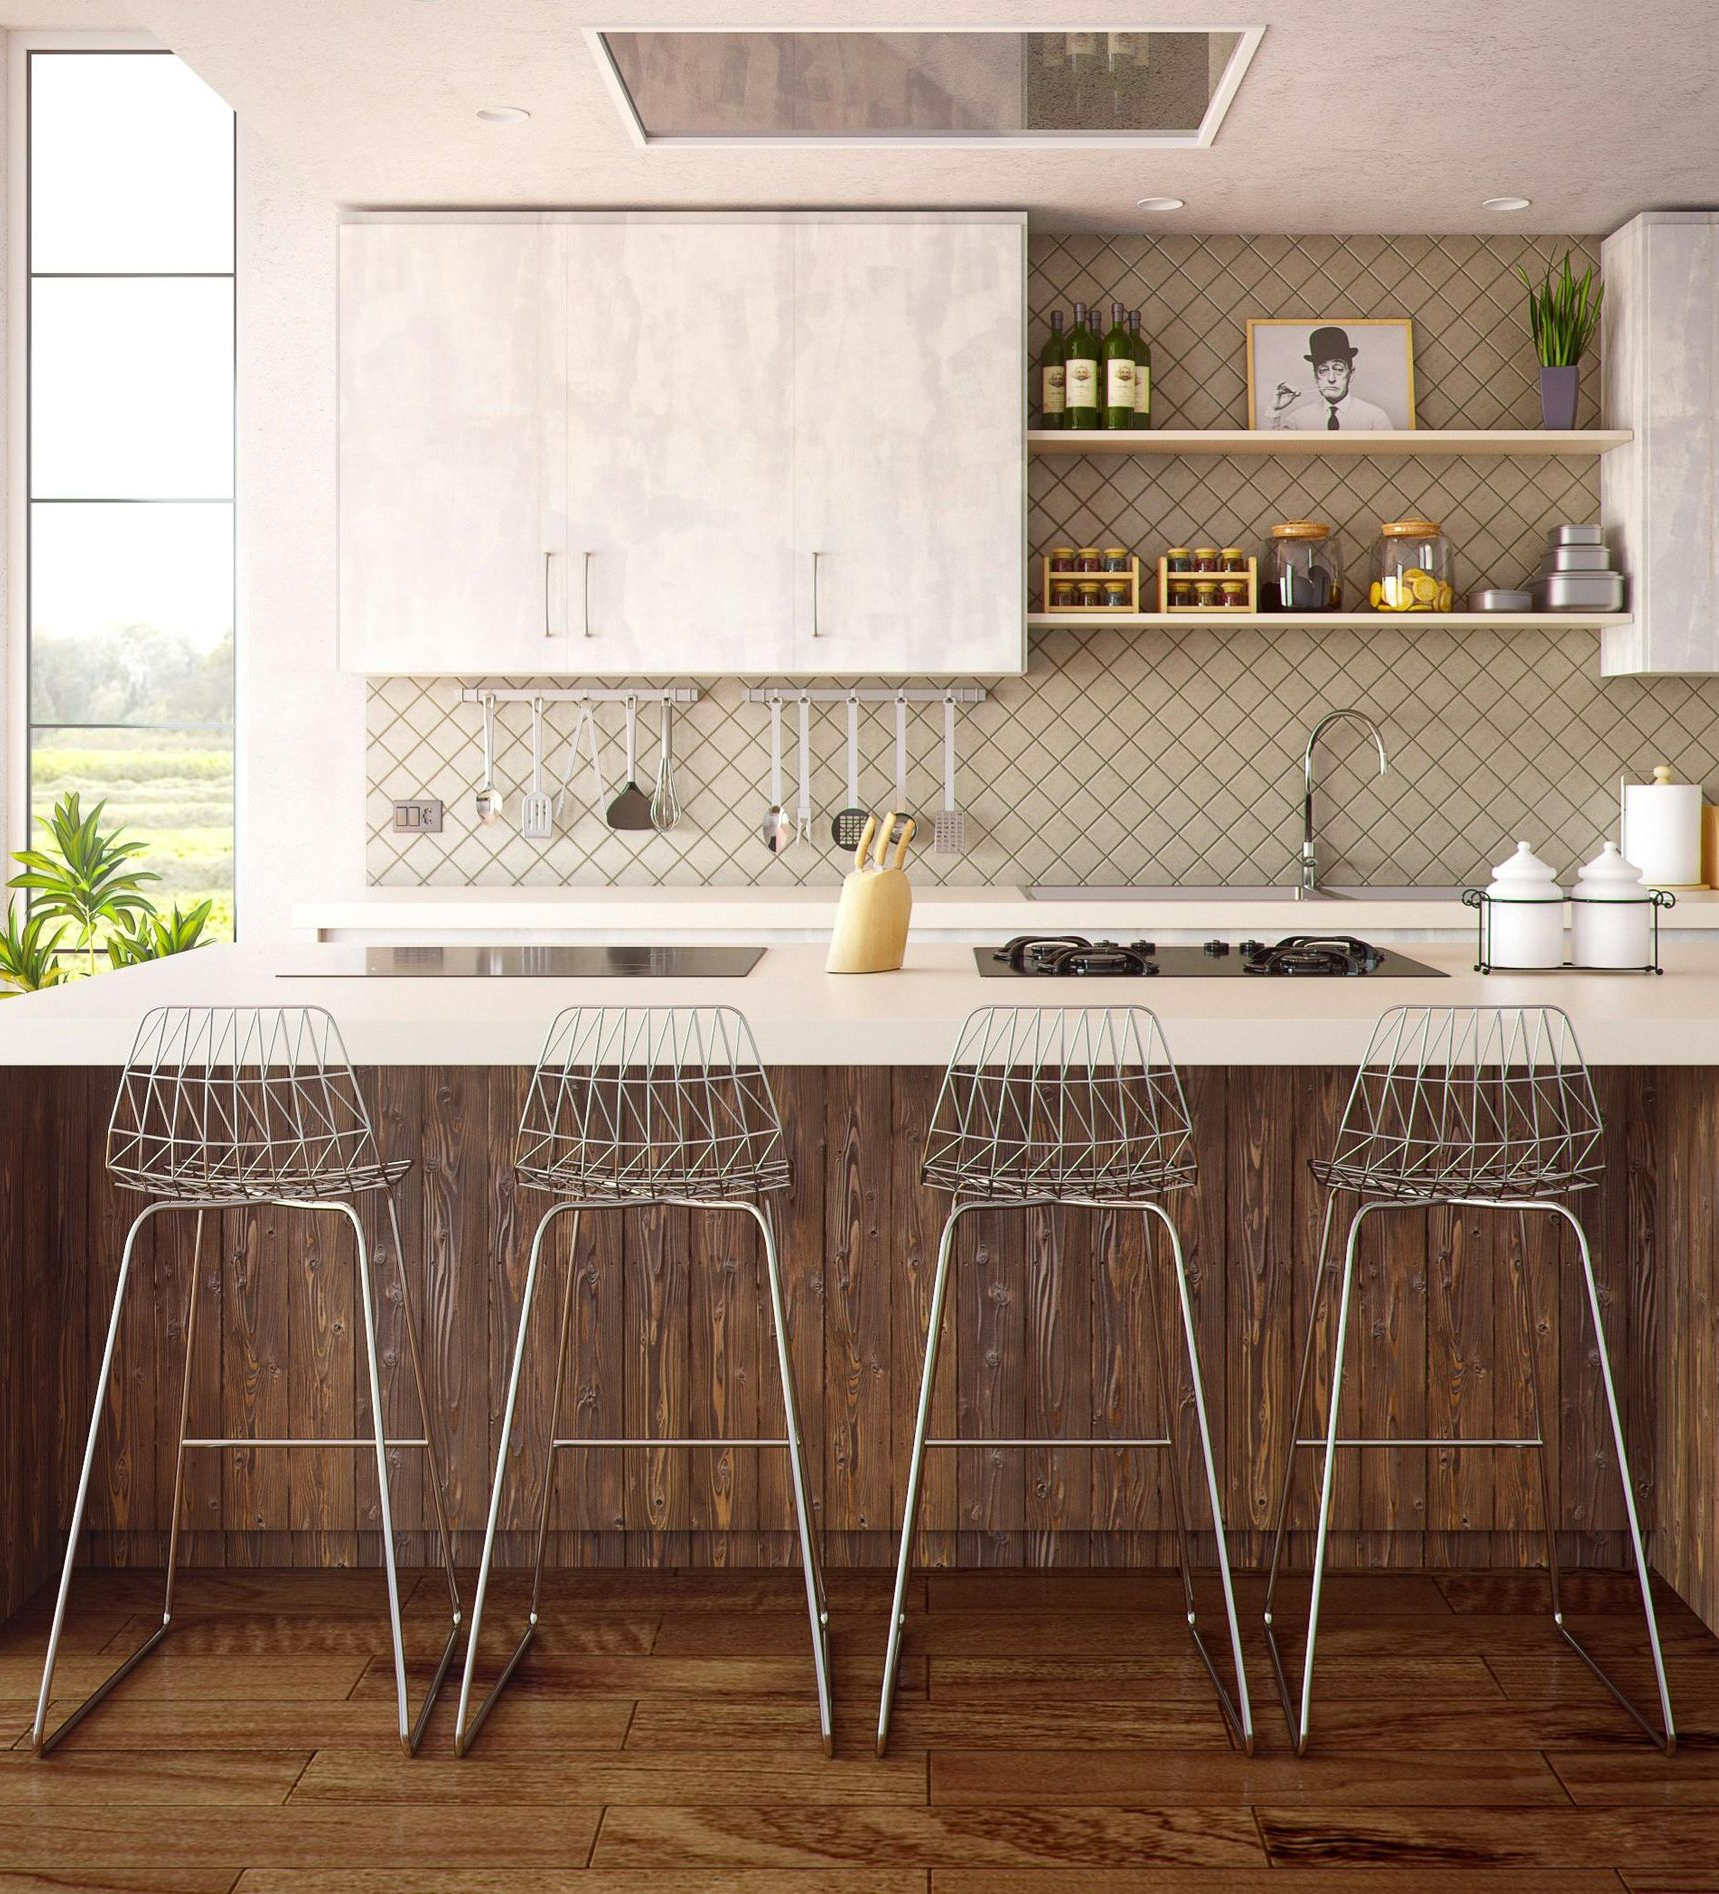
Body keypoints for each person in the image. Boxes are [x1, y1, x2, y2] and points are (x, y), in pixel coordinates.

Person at [1268, 325, 1395, 430]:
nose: (1331, 378)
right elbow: (1274, 448)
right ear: (1316, 377)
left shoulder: (1375, 418)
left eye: (1338, 369)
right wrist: (1274, 410)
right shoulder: (1298, 420)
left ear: (1351, 374)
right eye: (1323, 370)